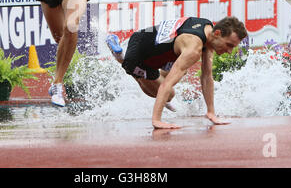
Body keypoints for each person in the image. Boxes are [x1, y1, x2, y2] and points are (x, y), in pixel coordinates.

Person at [106, 16, 248, 129]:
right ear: (217, 33)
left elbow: (207, 76)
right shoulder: (194, 48)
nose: (229, 51)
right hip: (139, 56)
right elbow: (166, 85)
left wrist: (211, 112)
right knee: (169, 94)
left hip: (150, 42)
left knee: (181, 71)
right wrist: (157, 120)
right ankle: (120, 56)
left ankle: (137, 68)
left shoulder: (208, 29)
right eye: (229, 45)